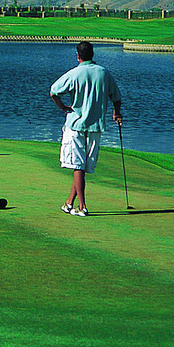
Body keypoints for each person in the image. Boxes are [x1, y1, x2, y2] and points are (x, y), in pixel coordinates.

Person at [50, 41, 122, 217]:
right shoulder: (104, 73)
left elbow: (53, 92)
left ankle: (82, 206)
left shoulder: (74, 73)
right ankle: (69, 203)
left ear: (77, 55)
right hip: (96, 127)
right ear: (93, 54)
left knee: (78, 166)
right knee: (81, 167)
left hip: (75, 125)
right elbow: (116, 97)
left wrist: (62, 107)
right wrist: (117, 113)